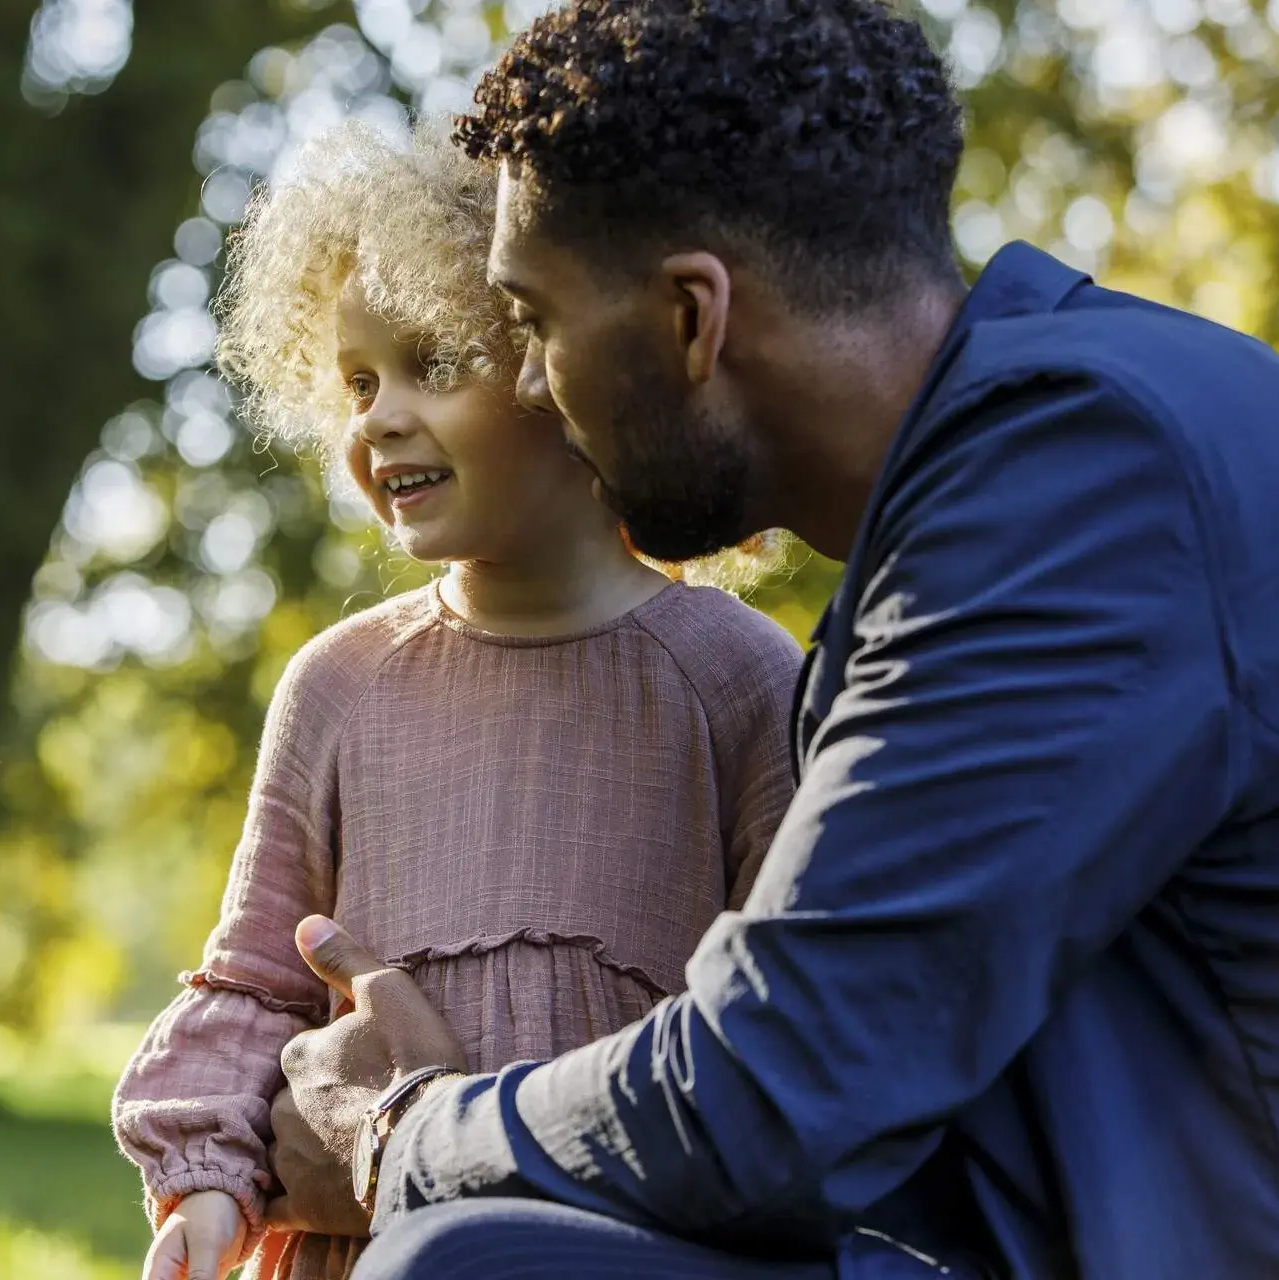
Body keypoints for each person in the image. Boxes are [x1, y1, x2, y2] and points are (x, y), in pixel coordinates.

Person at [261, 2, 1279, 1277]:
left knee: (464, 1265)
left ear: (690, 319)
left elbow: (775, 1089)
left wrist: (401, 1133)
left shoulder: (1079, 483)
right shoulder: (996, 490)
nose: (535, 384)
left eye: (535, 320)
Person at [109, 117, 806, 1280]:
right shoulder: (337, 684)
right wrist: (209, 1177)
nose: (377, 417)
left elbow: (790, 1020)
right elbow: (255, 979)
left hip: (607, 1240)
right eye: (355, 381)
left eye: (433, 363)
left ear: (565, 366)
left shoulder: (733, 676)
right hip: (352, 1239)